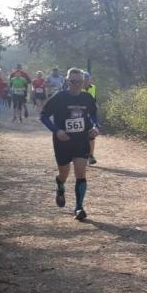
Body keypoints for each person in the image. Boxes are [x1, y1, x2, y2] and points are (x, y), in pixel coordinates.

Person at [39, 67, 99, 221]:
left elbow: (93, 115)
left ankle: (79, 208)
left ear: (83, 82)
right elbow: (44, 116)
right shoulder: (59, 97)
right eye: (73, 82)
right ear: (67, 81)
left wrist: (95, 126)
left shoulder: (87, 97)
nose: (76, 85)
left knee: (81, 173)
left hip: (81, 140)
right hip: (63, 141)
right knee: (64, 173)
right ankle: (60, 185)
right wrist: (56, 131)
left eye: (79, 82)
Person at [83, 72, 98, 165]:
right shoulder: (77, 88)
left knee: (91, 135)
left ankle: (91, 156)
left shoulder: (93, 87)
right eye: (84, 79)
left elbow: (94, 99)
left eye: (87, 79)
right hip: (78, 114)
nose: (86, 81)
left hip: (90, 114)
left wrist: (95, 104)